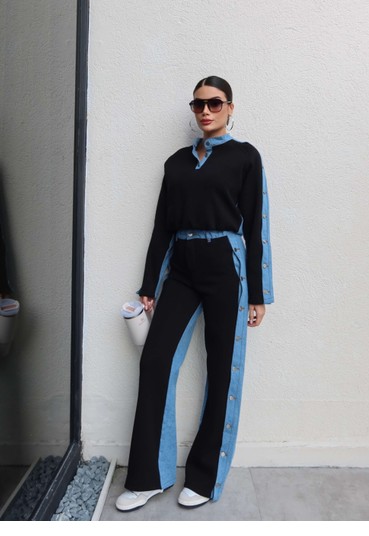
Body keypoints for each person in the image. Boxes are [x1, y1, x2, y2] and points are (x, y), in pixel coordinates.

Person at [116, 76, 274, 511]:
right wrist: (149, 285)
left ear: (230, 107)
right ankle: (149, 477)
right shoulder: (176, 163)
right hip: (182, 268)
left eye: (215, 103)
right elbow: (162, 227)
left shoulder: (245, 157)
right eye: (198, 104)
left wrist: (258, 294)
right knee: (155, 361)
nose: (205, 111)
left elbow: (256, 225)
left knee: (221, 369)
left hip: (226, 266)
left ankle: (204, 477)